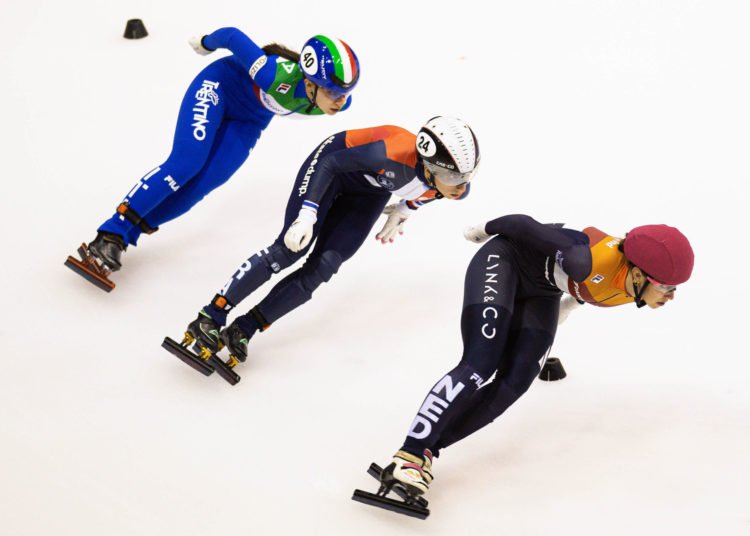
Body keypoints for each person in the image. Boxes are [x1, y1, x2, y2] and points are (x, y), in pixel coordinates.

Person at [377, 214, 694, 499]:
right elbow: (523, 225)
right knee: (480, 363)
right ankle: (409, 454)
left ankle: (428, 453)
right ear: (638, 275)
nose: (671, 295)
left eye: (676, 287)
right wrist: (483, 230)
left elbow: (591, 294)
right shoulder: (585, 260)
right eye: (666, 286)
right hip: (504, 261)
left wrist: (566, 309)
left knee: (516, 381)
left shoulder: (634, 288)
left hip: (543, 290)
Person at [178, 117, 481, 370]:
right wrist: (307, 214)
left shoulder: (448, 182)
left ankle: (245, 328)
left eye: (467, 177)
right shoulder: (389, 153)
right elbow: (331, 164)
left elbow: (431, 192)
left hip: (370, 192)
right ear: (430, 167)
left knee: (324, 267)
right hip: (333, 168)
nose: (462, 188)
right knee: (288, 250)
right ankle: (211, 314)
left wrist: (405, 210)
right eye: (455, 179)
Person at [66, 28, 360, 288]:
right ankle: (110, 234)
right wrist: (204, 43)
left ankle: (127, 237)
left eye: (346, 93)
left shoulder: (334, 103)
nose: (340, 101)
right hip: (219, 86)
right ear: (310, 83)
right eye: (334, 92)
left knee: (204, 183)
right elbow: (232, 36)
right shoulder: (272, 73)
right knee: (186, 164)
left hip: (248, 121)